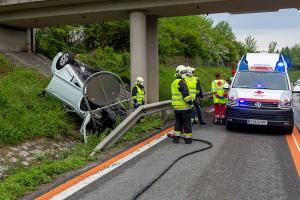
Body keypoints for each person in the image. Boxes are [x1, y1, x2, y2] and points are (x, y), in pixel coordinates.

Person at [171, 65, 193, 144]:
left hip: (176, 108)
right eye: (183, 72)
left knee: (178, 123)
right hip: (184, 107)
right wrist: (191, 102)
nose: (184, 74)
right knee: (187, 123)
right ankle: (188, 139)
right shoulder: (182, 82)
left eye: (185, 72)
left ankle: (176, 139)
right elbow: (185, 95)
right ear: (178, 73)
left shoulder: (174, 82)